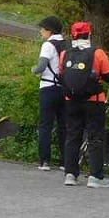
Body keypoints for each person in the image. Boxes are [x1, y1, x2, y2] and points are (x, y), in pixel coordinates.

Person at [59, 21, 109, 188]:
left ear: (73, 35)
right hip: (94, 101)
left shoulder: (65, 54)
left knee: (72, 135)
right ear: (89, 35)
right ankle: (95, 176)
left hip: (71, 101)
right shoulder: (97, 53)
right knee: (95, 137)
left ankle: (70, 174)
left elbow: (61, 74)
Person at [33, 16, 67, 172]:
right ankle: (65, 161)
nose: (41, 31)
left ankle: (45, 161)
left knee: (46, 125)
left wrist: (33, 70)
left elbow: (41, 66)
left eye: (42, 28)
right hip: (65, 89)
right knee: (64, 126)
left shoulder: (48, 45)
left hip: (48, 87)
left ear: (50, 30)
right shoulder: (67, 45)